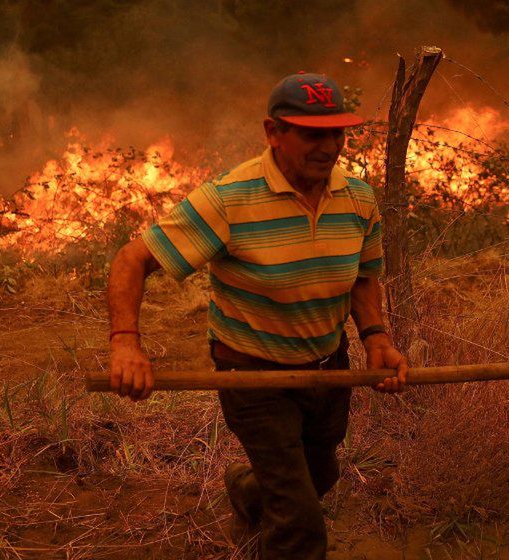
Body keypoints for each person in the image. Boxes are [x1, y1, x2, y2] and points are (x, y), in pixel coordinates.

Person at [107, 72, 408, 559]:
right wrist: (125, 343)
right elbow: (132, 260)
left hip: (327, 368)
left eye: (336, 133)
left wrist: (376, 338)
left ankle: (247, 492)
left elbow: (363, 276)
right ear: (273, 132)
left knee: (319, 475)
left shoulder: (358, 198)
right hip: (253, 374)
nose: (329, 147)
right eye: (312, 134)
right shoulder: (229, 199)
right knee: (299, 522)